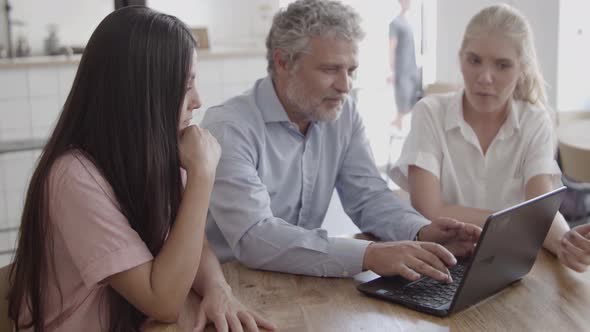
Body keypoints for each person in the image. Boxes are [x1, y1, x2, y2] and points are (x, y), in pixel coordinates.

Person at [7, 7, 276, 332]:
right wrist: (202, 176)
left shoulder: (157, 154)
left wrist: (218, 289)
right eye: (185, 84)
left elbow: (191, 243)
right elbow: (162, 301)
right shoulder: (72, 176)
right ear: (142, 90)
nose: (198, 100)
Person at [202, 0, 480, 283]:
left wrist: (421, 232)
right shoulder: (230, 128)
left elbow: (368, 196)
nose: (345, 85)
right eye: (330, 69)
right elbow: (255, 238)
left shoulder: (343, 113)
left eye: (351, 70)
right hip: (229, 287)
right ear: (283, 62)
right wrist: (369, 254)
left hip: (302, 281)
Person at [389, 4, 590, 273]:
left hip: (508, 266)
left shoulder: (536, 120)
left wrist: (565, 241)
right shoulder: (430, 112)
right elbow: (429, 209)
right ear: (460, 58)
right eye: (474, 60)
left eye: (502, 65)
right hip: (442, 261)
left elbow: (540, 211)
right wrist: (520, 222)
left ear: (522, 68)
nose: (484, 78)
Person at [388, 0, 420, 131]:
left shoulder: (409, 23)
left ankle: (398, 124)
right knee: (402, 102)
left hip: (412, 69)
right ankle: (397, 127)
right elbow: (392, 48)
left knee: (412, 102)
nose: (408, 3)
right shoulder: (395, 23)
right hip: (401, 70)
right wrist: (392, 71)